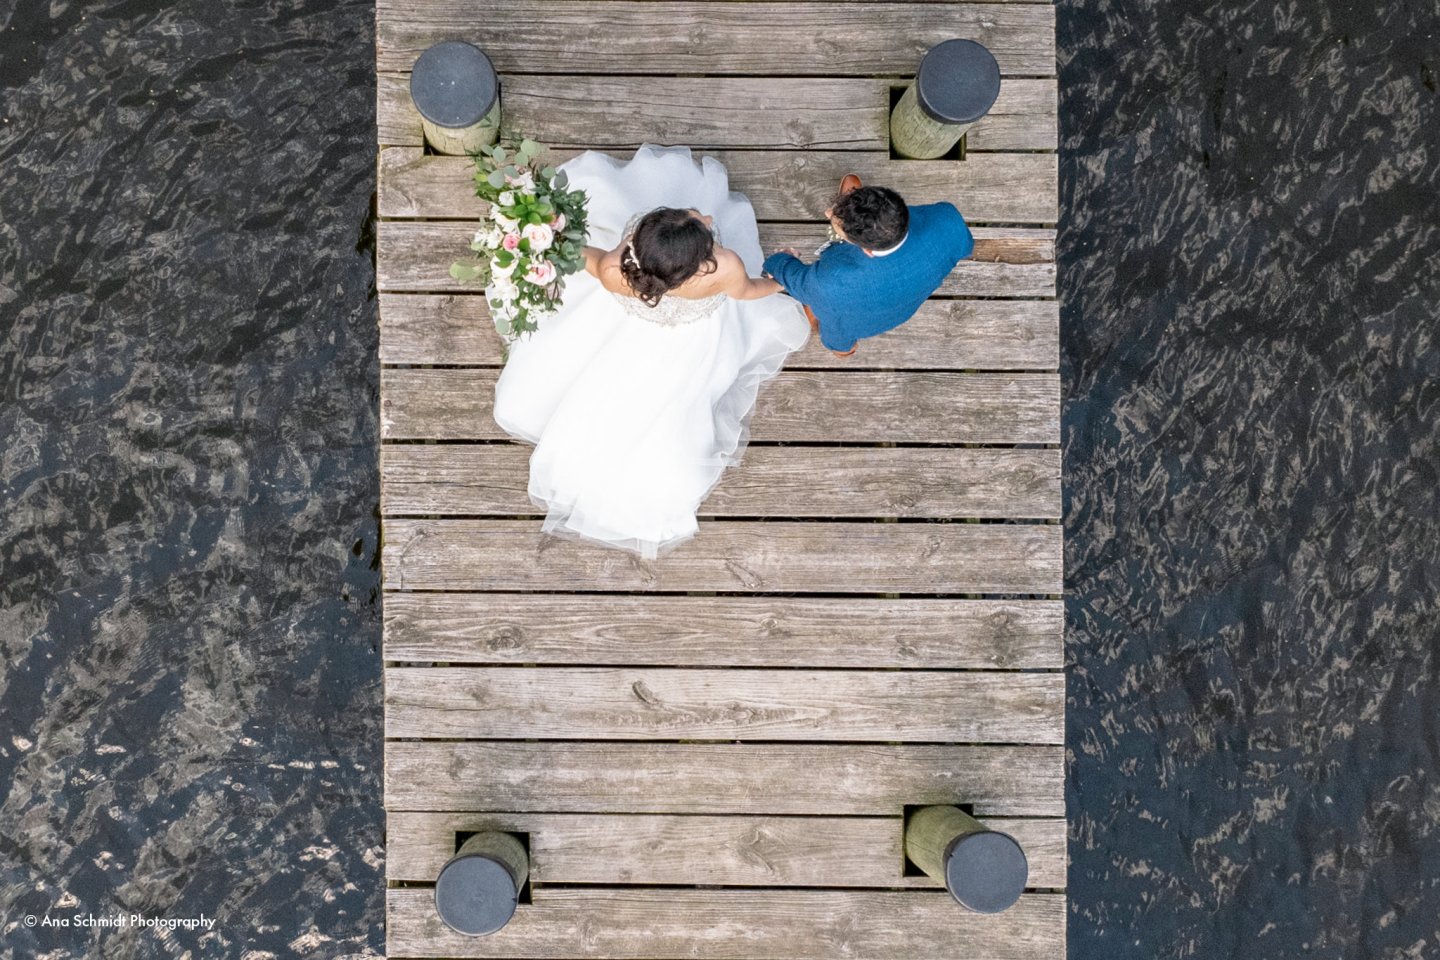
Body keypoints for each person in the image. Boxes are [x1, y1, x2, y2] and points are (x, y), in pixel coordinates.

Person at [492, 145, 810, 559]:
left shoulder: (614, 271)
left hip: (629, 328)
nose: (706, 218)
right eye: (702, 230)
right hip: (693, 345)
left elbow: (579, 255)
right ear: (697, 263)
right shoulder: (726, 268)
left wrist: (546, 240)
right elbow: (750, 292)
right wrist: (782, 282)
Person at [762, 177, 974, 357]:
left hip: (859, 320)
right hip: (905, 297)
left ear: (867, 250)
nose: (828, 212)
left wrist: (779, 259)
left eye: (836, 220)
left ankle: (844, 350)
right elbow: (965, 246)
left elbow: (792, 275)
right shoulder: (948, 220)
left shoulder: (829, 283)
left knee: (833, 328)